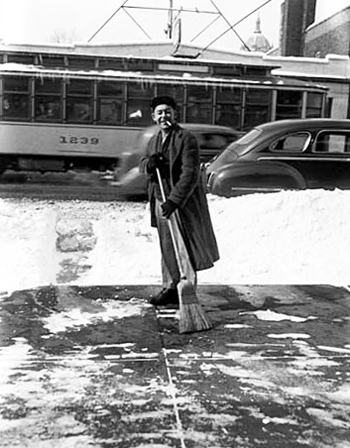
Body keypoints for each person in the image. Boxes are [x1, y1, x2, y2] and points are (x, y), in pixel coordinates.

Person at [139, 96, 219, 306]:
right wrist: (150, 164)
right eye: (160, 112)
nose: (164, 116)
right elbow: (142, 165)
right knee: (167, 245)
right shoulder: (154, 140)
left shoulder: (186, 139)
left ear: (175, 114)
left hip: (180, 203)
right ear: (153, 116)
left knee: (183, 246)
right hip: (160, 199)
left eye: (168, 111)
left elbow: (190, 174)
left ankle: (188, 290)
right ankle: (170, 287)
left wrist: (174, 201)